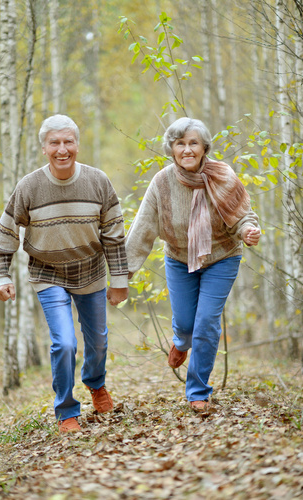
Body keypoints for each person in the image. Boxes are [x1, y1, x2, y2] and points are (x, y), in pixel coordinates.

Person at [0, 114, 129, 433]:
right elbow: (3, 236)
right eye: (55, 143)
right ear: (44, 148)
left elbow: (114, 235)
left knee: (98, 343)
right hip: (47, 274)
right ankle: (66, 410)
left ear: (77, 145)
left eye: (68, 142)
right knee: (64, 343)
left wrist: (119, 282)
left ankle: (95, 383)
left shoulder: (98, 181)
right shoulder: (30, 187)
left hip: (91, 272)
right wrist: (2, 276)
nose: (62, 149)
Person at [125, 117, 260, 411]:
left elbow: (243, 215)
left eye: (193, 143)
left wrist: (248, 231)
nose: (187, 149)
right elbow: (143, 229)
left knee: (206, 323)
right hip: (178, 258)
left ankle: (197, 390)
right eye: (180, 143)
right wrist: (123, 274)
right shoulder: (162, 182)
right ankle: (180, 341)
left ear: (204, 147)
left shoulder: (223, 175)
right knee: (186, 325)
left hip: (222, 256)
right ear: (172, 149)